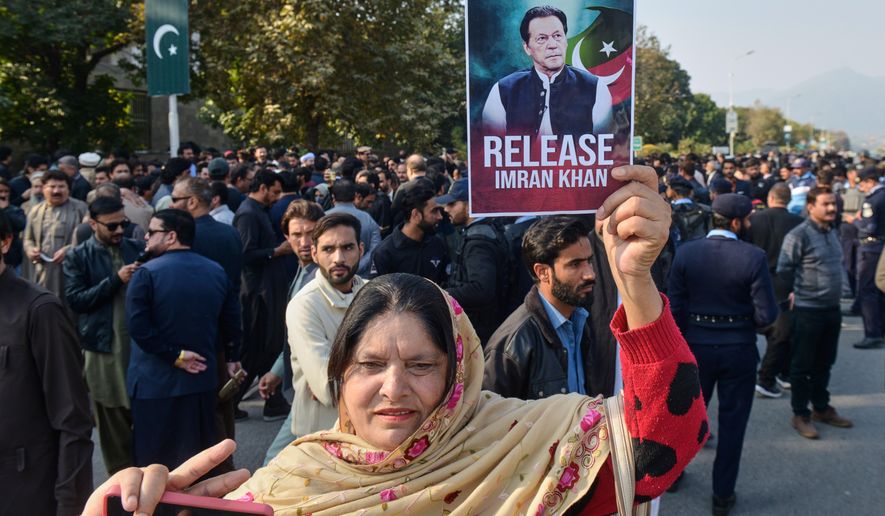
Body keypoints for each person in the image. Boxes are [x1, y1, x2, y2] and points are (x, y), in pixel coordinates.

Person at [82, 166, 709, 516]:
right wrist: (130, 506)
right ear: (339, 376)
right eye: (370, 364)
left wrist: (633, 280)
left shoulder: (534, 450)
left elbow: (662, 447)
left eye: (421, 364)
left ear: (458, 371)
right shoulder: (286, 488)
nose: (393, 388)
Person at [668, 193, 778, 515]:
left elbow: (674, 307)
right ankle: (722, 495)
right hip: (738, 349)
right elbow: (766, 316)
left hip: (695, 348)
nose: (747, 225)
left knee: (687, 419)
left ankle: (673, 475)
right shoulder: (753, 257)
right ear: (735, 222)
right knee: (733, 424)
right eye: (746, 220)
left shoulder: (687, 252)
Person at [126, 209, 241, 468]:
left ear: (171, 236)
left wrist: (175, 356)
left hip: (154, 385)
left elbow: (138, 327)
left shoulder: (145, 274)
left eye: (152, 231)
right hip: (202, 382)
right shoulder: (215, 271)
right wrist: (233, 356)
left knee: (155, 464)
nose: (146, 236)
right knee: (199, 462)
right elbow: (232, 320)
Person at [0, 211, 94, 516]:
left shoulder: (40, 311)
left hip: (25, 489)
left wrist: (69, 505)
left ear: (5, 242)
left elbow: (73, 420)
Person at [484, 216, 619, 399]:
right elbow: (491, 418)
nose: (590, 274)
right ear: (543, 272)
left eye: (589, 261)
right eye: (575, 264)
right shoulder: (514, 343)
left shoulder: (581, 321)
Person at [63, 196, 143, 476]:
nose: (120, 230)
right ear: (93, 224)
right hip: (103, 351)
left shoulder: (137, 248)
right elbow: (76, 300)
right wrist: (115, 280)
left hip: (141, 351)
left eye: (123, 223)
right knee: (113, 427)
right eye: (112, 227)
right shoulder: (78, 256)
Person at [170, 178, 244, 452]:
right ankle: (224, 461)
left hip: (193, 339)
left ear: (191, 201)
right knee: (222, 409)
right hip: (224, 332)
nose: (171, 205)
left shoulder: (184, 240)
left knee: (197, 417)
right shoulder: (229, 233)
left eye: (175, 200)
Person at [777, 187, 854, 438]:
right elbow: (784, 270)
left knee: (825, 362)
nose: (832, 208)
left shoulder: (832, 231)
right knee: (802, 365)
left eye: (834, 204)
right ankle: (800, 414)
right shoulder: (799, 235)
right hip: (807, 311)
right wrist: (789, 297)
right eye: (826, 204)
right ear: (811, 206)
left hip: (832, 311)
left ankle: (821, 407)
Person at [257, 200, 325, 464]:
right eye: (297, 234)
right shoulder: (302, 271)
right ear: (286, 237)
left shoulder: (323, 277)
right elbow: (295, 339)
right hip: (302, 387)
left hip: (314, 390)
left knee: (274, 462)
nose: (305, 241)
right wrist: (277, 371)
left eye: (311, 233)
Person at [482, 5, 612, 136]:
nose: (553, 45)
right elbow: (491, 148)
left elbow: (605, 149)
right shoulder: (502, 91)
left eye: (557, 36)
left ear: (566, 41)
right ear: (527, 48)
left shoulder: (595, 88)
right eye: (542, 38)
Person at [233, 170, 293, 420]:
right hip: (257, 293)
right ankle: (231, 398)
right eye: (275, 192)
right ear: (263, 188)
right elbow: (246, 254)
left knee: (266, 347)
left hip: (266, 290)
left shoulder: (258, 211)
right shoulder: (248, 213)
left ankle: (273, 401)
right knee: (257, 349)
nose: (277, 197)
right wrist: (276, 251)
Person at [747, 183, 804, 398]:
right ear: (788, 200)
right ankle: (772, 375)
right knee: (783, 330)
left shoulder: (753, 220)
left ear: (771, 198)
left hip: (756, 277)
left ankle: (775, 373)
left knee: (762, 327)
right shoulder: (799, 223)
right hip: (785, 281)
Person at [441, 178, 509, 344]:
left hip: (481, 330)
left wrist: (442, 294)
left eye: (452, 204)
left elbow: (481, 289)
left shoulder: (479, 242)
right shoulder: (484, 231)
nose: (446, 209)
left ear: (470, 205)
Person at [23, 169, 89, 301]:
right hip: (43, 271)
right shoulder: (35, 210)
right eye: (52, 187)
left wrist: (69, 249)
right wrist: (30, 249)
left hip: (71, 269)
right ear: (43, 188)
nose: (56, 191)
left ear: (68, 189)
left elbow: (88, 238)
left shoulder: (81, 208)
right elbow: (27, 238)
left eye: (61, 186)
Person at [371, 177, 449, 284]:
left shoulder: (437, 245)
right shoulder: (385, 253)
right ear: (416, 215)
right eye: (434, 211)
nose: (439, 217)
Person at [852, 167, 885, 349]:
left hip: (871, 247)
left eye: (862, 184)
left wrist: (854, 221)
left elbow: (868, 227)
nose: (861, 188)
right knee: (880, 289)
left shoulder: (872, 200)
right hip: (882, 246)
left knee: (867, 290)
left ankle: (872, 333)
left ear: (870, 181)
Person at [326, 180, 382, 276]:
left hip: (331, 275)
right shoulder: (368, 219)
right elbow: (375, 249)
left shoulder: (323, 218)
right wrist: (357, 266)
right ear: (355, 195)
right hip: (361, 279)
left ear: (333, 197)